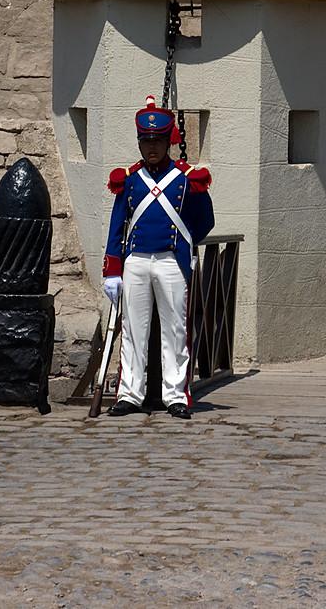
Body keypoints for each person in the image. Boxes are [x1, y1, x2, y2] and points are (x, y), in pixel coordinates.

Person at [102, 97, 215, 418]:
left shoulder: (187, 178)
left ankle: (176, 395)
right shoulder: (129, 178)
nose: (151, 148)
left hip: (171, 261)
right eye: (146, 142)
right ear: (139, 142)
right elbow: (116, 226)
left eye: (158, 142)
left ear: (169, 142)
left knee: (176, 330)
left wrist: (183, 244)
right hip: (136, 260)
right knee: (134, 330)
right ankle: (129, 394)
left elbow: (205, 220)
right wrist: (113, 270)